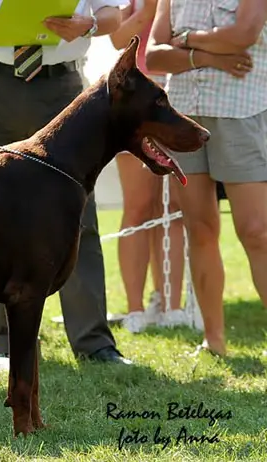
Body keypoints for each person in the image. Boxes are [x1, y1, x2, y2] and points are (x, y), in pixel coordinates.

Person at [0, 0, 131, 363]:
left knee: (78, 216)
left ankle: (94, 343)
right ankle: (8, 343)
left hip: (63, 88)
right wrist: (22, 28)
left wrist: (86, 24)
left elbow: (113, 14)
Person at [146, 0, 267, 356]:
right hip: (184, 118)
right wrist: (209, 56)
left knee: (257, 232)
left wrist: (184, 40)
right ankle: (213, 341)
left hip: (243, 112)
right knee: (199, 228)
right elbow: (153, 57)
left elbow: (243, 36)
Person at [109, 0, 187, 333]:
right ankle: (135, 309)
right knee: (139, 206)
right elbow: (117, 39)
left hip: (180, 100)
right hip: (136, 103)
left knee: (171, 208)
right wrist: (148, 10)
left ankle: (170, 305)